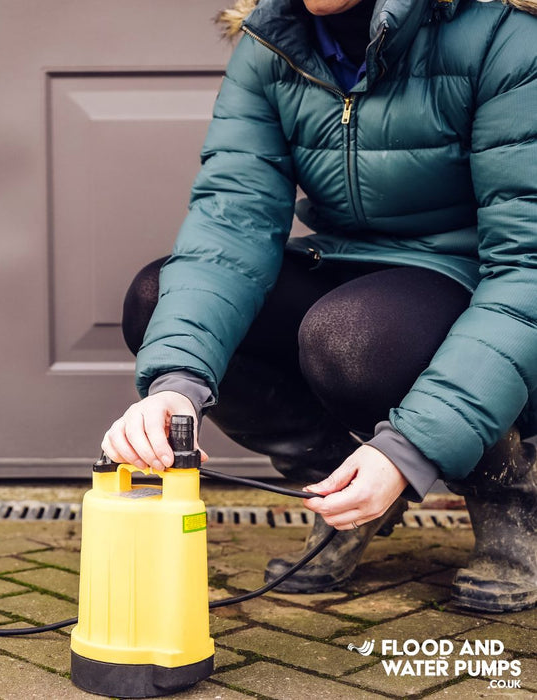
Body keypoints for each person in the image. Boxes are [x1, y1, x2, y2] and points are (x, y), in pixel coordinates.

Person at [102, 0, 537, 613]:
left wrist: (409, 449)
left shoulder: (503, 34)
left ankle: (511, 496)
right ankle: (343, 492)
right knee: (156, 300)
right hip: (346, 261)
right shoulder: (273, 39)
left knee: (352, 338)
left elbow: (527, 267)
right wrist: (176, 382)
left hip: (476, 279)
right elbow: (232, 223)